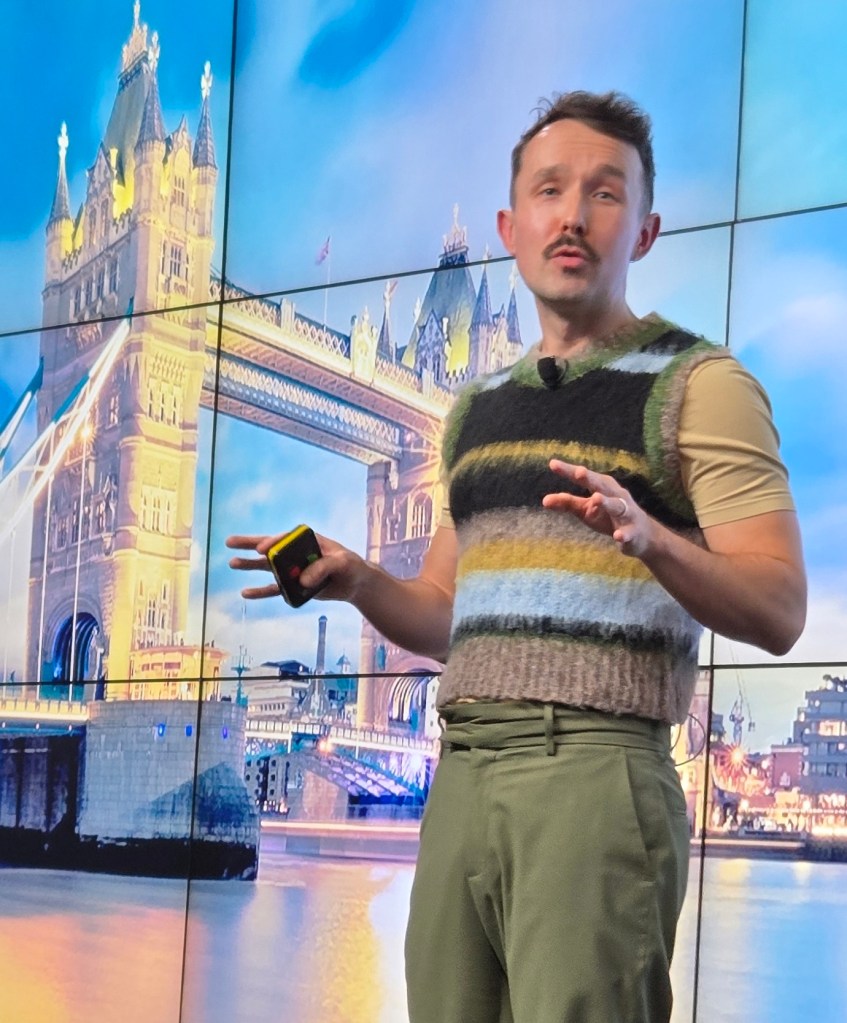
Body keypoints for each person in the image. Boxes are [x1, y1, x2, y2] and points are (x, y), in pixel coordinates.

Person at [227, 91, 806, 1023]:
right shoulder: (474, 413)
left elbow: (780, 609)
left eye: (604, 193)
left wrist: (652, 540)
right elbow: (446, 618)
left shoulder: (703, 386)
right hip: (461, 778)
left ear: (645, 229)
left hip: (592, 777)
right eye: (549, 190)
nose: (572, 214)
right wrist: (362, 580)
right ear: (512, 224)